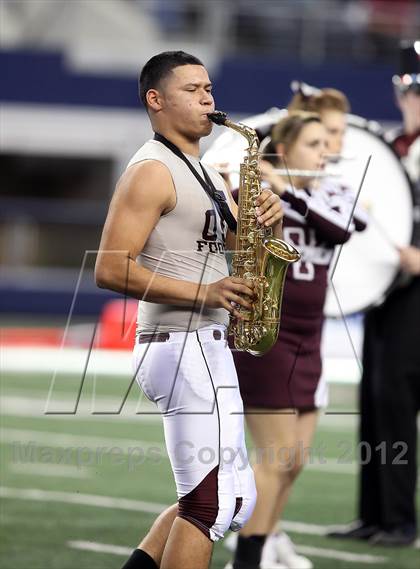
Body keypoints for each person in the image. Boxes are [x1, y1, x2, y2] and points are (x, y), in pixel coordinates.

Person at [94, 51, 284, 569]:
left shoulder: (197, 169)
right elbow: (109, 270)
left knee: (228, 499)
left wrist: (271, 219)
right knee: (212, 504)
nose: (208, 99)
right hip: (182, 342)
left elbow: (244, 248)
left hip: (199, 343)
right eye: (192, 90)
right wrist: (207, 293)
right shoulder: (153, 171)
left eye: (209, 88)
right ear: (155, 100)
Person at [226, 111, 367, 569]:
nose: (324, 152)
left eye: (326, 143)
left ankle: (264, 541)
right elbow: (233, 218)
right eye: (313, 144)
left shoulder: (331, 191)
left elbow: (345, 227)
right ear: (285, 151)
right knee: (276, 456)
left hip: (311, 335)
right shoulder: (262, 190)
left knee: (294, 460)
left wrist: (293, 191)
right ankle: (246, 557)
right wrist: (265, 175)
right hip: (271, 331)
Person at [328, 39, 420, 547]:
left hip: (416, 294)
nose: (417, 99)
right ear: (397, 92)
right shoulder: (390, 148)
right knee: (377, 403)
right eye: (412, 90)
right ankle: (375, 515)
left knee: (399, 404)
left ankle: (402, 521)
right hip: (387, 295)